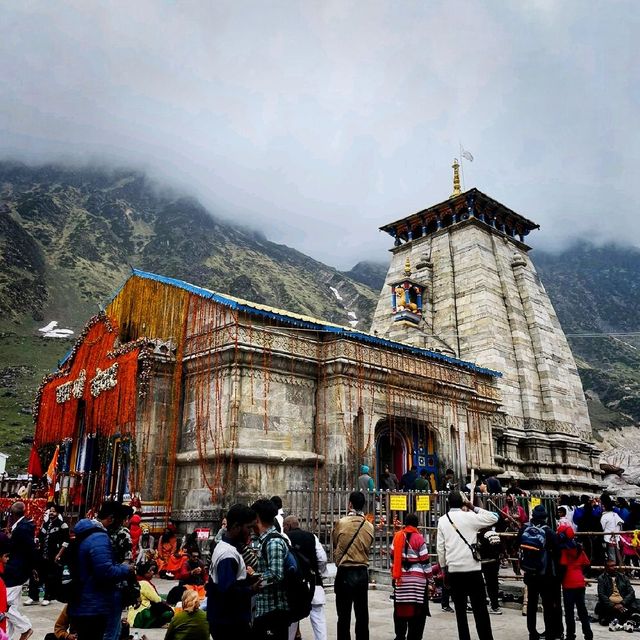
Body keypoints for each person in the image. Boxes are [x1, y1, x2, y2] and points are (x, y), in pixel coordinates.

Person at [436, 491, 498, 640]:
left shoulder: (443, 520)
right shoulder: (470, 517)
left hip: (454, 570)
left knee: (460, 611)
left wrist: (444, 570)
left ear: (448, 503)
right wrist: (473, 506)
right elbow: (494, 517)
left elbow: (440, 548)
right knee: (480, 610)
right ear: (462, 503)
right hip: (473, 570)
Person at [67, 502, 132, 640]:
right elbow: (106, 572)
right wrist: (126, 569)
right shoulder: (99, 537)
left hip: (81, 599)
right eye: (120, 521)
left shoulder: (84, 531)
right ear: (111, 518)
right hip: (94, 603)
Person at [207, 504, 260, 640]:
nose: (250, 532)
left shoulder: (226, 547)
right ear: (236, 527)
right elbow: (227, 589)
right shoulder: (228, 554)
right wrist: (251, 588)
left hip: (226, 619)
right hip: (228, 622)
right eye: (248, 528)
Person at [332, 491, 375, 640]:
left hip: (345, 572)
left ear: (350, 504)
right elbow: (369, 546)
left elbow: (336, 544)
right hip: (362, 572)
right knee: (362, 614)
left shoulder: (341, 523)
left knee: (343, 616)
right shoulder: (369, 526)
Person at [518, 504, 563, 640]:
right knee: (547, 604)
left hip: (529, 573)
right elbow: (558, 553)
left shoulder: (524, 529)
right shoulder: (549, 532)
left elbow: (518, 545)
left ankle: (532, 632)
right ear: (546, 518)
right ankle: (550, 632)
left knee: (531, 603)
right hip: (546, 574)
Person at [251, 498, 290, 640]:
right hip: (265, 609)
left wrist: (256, 581)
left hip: (273, 611)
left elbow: (276, 574)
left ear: (257, 518)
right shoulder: (265, 540)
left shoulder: (273, 542)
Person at [284, 515, 327, 640]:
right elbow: (322, 559)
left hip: (294, 586)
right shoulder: (311, 537)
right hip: (314, 583)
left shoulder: (285, 538)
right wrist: (319, 572)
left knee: (292, 620)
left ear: (288, 526)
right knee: (318, 620)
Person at [390, 513, 432, 640]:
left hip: (401, 579)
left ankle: (400, 635)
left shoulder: (397, 536)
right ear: (416, 524)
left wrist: (394, 575)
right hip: (418, 581)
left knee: (400, 609)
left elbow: (392, 558)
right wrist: (430, 579)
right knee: (418, 610)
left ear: (405, 524)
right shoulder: (419, 538)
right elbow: (425, 561)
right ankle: (414, 636)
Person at [4, 501, 35, 640]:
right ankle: (7, 636)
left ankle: (25, 628)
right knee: (12, 607)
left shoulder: (23, 528)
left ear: (13, 514)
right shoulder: (20, 527)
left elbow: (28, 550)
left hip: (15, 572)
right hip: (17, 571)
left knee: (4, 606)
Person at [105, 502, 134, 640]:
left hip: (102, 581)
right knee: (113, 628)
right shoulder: (123, 532)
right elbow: (128, 562)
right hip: (117, 583)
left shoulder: (102, 531)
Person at [557, 524, 592, 640]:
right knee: (582, 610)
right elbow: (587, 564)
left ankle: (570, 635)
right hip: (580, 582)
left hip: (568, 583)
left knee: (569, 612)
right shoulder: (579, 548)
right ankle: (588, 634)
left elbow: (562, 566)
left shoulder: (563, 550)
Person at [127, 562, 174, 629]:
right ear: (144, 572)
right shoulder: (144, 583)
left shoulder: (133, 582)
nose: (152, 572)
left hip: (131, 618)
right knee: (168, 612)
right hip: (141, 615)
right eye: (150, 570)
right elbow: (157, 599)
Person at [595, 559, 640, 627]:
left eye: (615, 565)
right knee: (604, 607)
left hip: (623, 603)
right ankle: (622, 620)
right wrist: (613, 605)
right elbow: (601, 594)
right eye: (611, 566)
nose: (614, 567)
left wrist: (622, 603)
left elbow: (631, 592)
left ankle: (618, 620)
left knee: (635, 604)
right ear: (606, 568)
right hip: (610, 605)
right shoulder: (602, 578)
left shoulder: (623, 577)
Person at [478, 528, 502, 615]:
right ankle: (494, 605)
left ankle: (482, 604)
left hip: (481, 562)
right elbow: (500, 548)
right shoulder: (494, 534)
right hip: (494, 562)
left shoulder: (478, 534)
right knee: (493, 585)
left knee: (480, 585)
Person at [600, 494, 624, 564]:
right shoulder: (615, 514)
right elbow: (620, 524)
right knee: (617, 554)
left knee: (611, 556)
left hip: (608, 538)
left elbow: (602, 527)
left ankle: (614, 570)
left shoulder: (604, 517)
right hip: (616, 537)